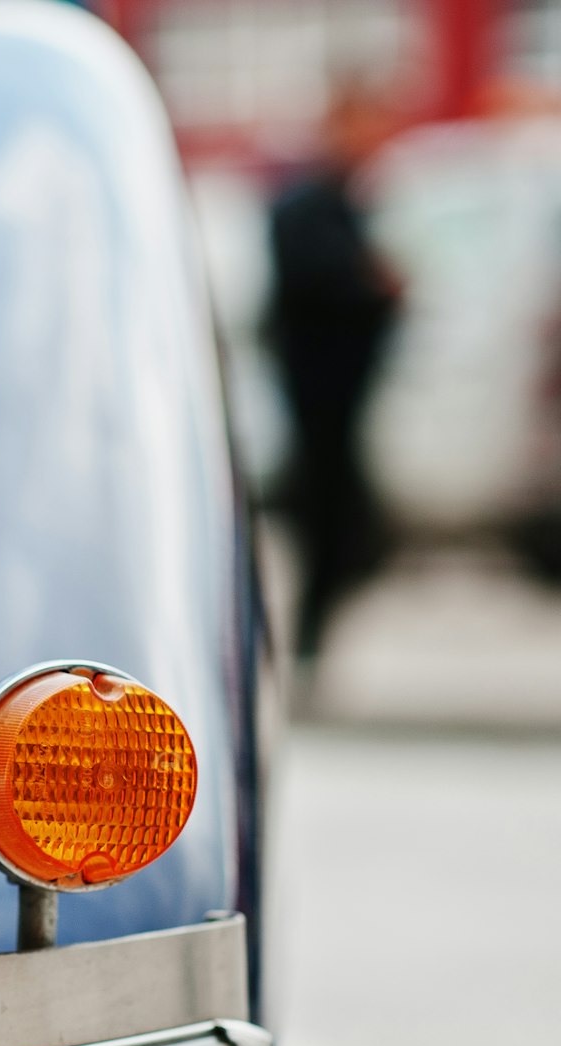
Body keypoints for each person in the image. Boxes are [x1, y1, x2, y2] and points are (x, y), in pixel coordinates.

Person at [267, 83, 404, 666]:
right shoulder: (309, 205)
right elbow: (319, 289)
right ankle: (303, 640)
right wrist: (374, 286)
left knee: (337, 518)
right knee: (328, 517)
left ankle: (308, 639)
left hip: (336, 396)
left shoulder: (342, 204)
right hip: (319, 395)